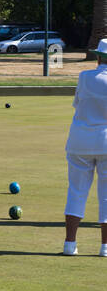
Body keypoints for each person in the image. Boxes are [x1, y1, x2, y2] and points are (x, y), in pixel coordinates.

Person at [63, 39, 107, 256]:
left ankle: (70, 244)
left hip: (80, 141)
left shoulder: (84, 77)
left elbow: (78, 105)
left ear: (99, 57)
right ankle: (105, 247)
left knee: (76, 192)